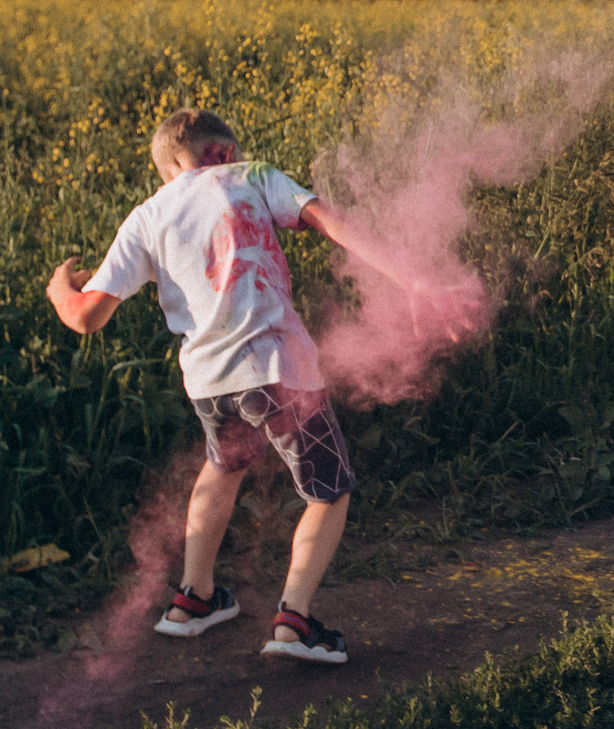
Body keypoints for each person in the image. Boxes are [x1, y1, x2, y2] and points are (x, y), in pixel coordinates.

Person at [46, 108, 398, 666]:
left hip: (209, 381)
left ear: (169, 169)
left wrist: (59, 290)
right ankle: (293, 622)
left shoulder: (148, 215)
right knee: (328, 492)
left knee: (225, 464)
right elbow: (335, 224)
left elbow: (87, 316)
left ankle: (193, 600)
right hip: (280, 369)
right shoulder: (250, 175)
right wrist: (416, 279)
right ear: (223, 152)